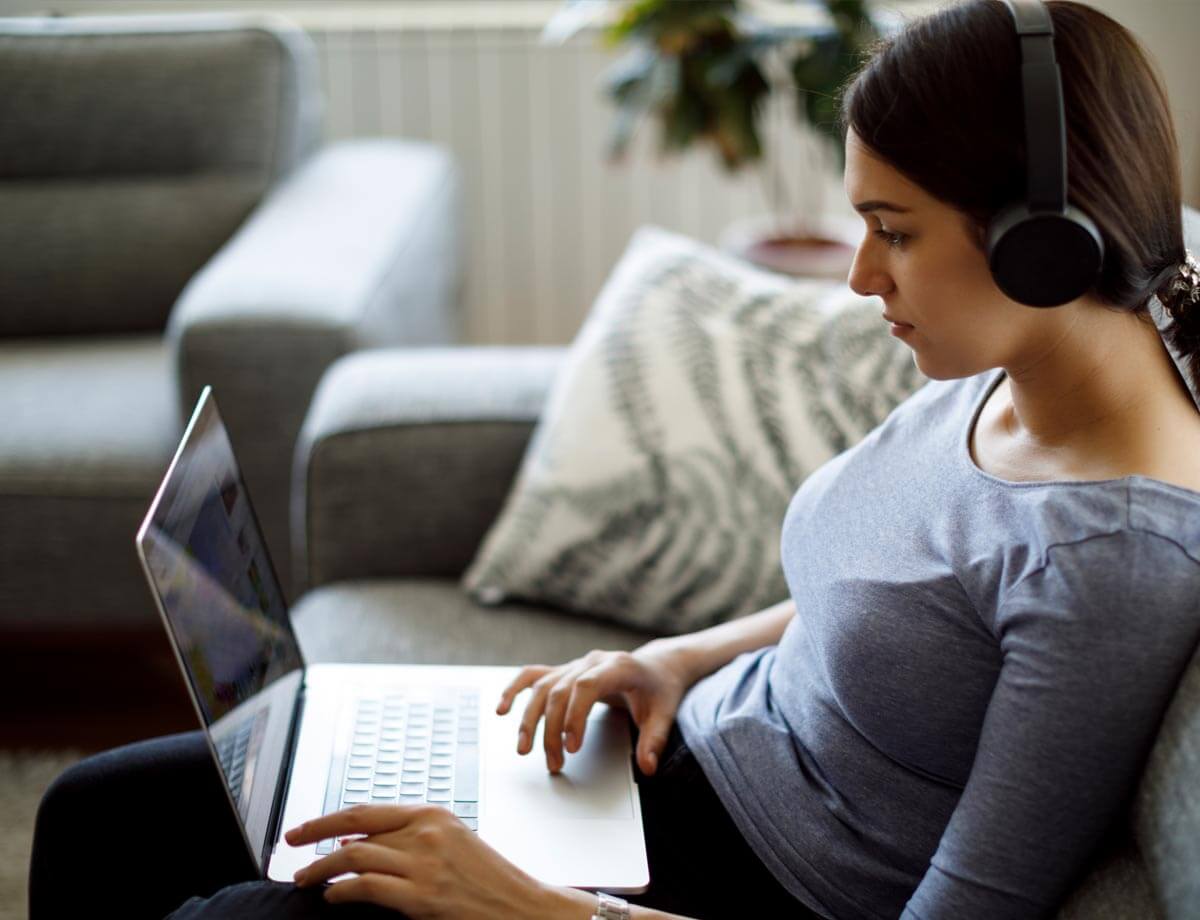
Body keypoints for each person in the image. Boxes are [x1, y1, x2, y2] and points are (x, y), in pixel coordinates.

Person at [29, 2, 1200, 918]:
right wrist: (675, 659)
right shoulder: (1012, 372)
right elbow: (897, 598)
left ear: (1043, 247)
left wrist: (535, 908)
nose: (858, 274)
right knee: (95, 814)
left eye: (893, 233)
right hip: (661, 769)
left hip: (732, 884)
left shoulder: (1114, 563)